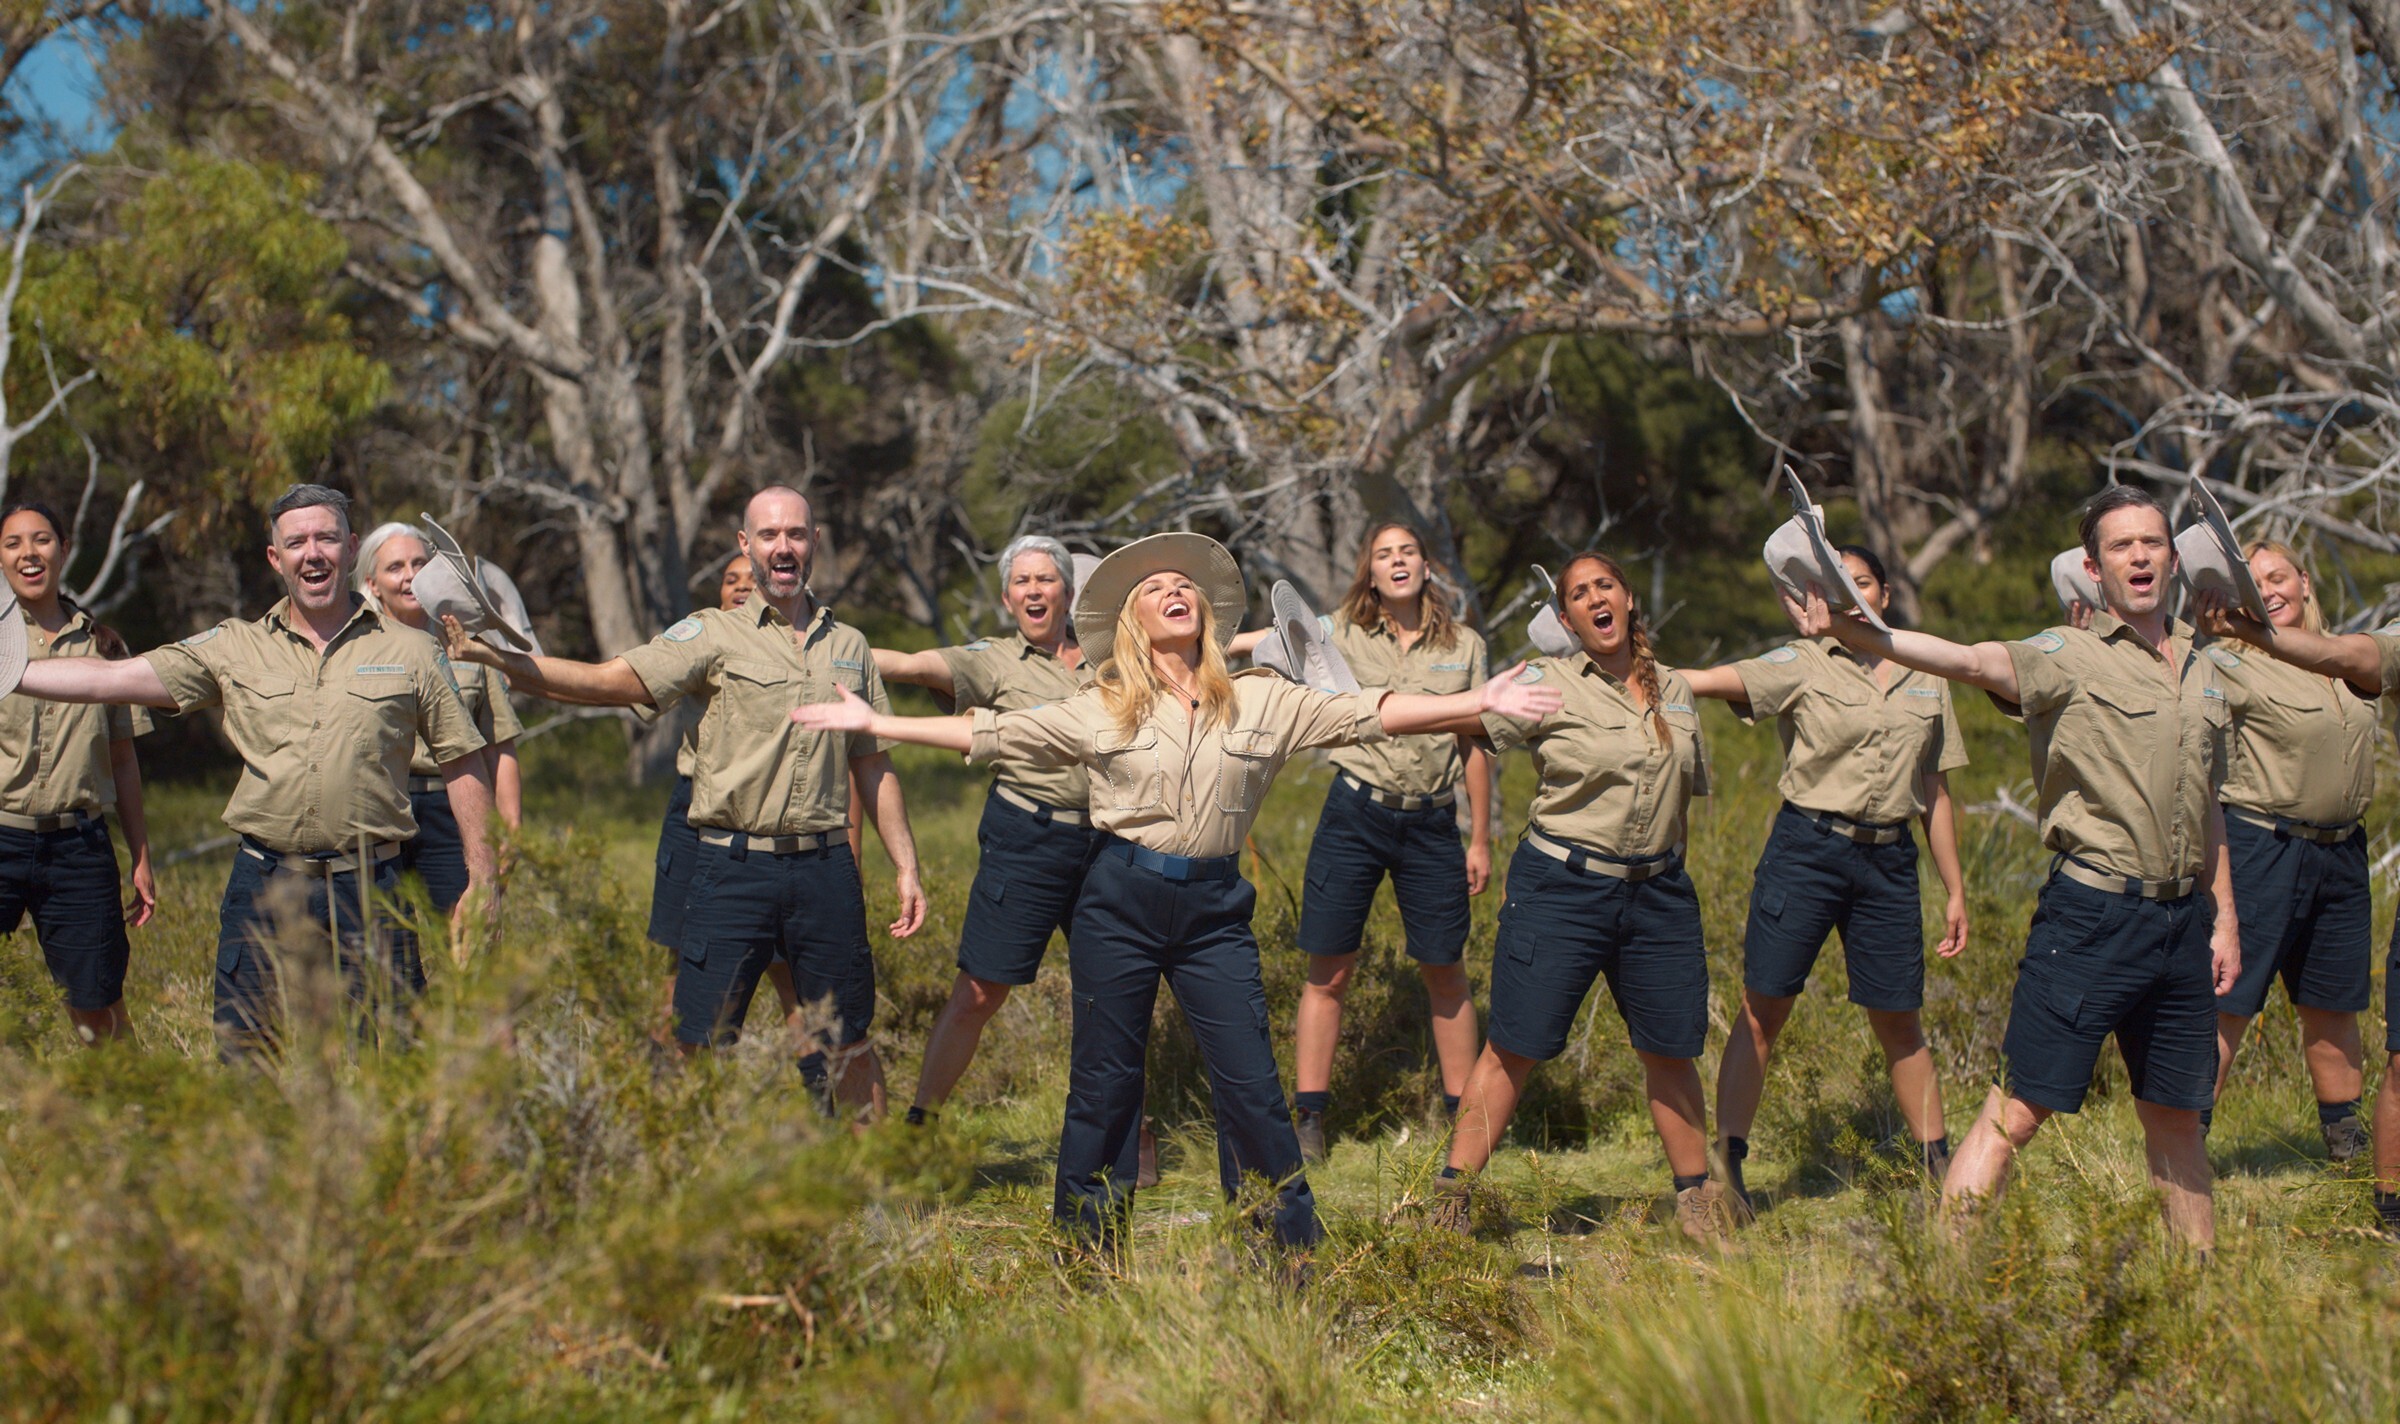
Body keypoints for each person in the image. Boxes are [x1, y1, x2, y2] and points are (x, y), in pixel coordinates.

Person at [794, 530, 1560, 1257]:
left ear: (1205, 612)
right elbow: (992, 732)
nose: (1174, 591)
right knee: (1104, 1085)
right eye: (1155, 587)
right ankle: (1088, 1250)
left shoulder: (1262, 699)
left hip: (1214, 912)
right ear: (1134, 620)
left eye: (1184, 584)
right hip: (1118, 900)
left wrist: (1476, 704)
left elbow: (1372, 712)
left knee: (1251, 1084)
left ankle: (1281, 1248)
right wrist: (876, 721)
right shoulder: (1104, 703)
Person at [1787, 485, 2236, 1249]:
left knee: (2176, 1117)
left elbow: (2209, 802)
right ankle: (1946, 1283)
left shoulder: (2204, 664)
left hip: (2182, 921)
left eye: (2152, 542)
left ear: (2172, 558)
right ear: (2093, 569)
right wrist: (1858, 632)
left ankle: (2199, 1286)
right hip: (2093, 917)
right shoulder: (2067, 655)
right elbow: (1968, 659)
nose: (2139, 556)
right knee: (2019, 1110)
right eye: (2121, 546)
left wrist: (2224, 918)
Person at [451, 487, 925, 1118]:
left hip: (824, 870)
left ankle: (874, 1180)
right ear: (746, 545)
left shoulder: (851, 646)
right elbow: (608, 681)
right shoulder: (710, 634)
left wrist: (906, 864)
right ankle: (688, 1171)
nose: (783, 547)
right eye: (769, 535)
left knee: (849, 1038)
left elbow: (873, 763)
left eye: (796, 533)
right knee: (698, 1040)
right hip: (732, 869)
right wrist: (505, 661)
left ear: (814, 541)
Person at [11, 484, 496, 1056]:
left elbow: (462, 759)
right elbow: (112, 678)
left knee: (389, 1058)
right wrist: (12, 671)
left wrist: (482, 877)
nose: (312, 553)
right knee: (246, 1056)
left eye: (326, 538)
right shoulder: (234, 646)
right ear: (275, 558)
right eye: (296, 542)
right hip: (264, 884)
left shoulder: (412, 651)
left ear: (350, 548)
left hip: (371, 885)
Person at [1431, 551, 1735, 1243]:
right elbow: (1471, 727)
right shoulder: (1548, 681)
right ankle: (1449, 1203)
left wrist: (1670, 870)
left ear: (1627, 598)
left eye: (1606, 586)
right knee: (1515, 1046)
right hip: (1561, 888)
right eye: (1579, 593)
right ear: (1566, 619)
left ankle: (1697, 1202)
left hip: (1658, 894)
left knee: (1670, 1049)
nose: (1596, 598)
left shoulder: (1675, 690)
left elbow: (1679, 800)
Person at [1674, 543, 1969, 1209]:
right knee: (1764, 1009)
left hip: (1889, 861)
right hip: (1807, 850)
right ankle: (1728, 1168)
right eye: (1840, 586)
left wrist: (1955, 889)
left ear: (1884, 594)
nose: (1853, 596)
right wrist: (1632, 673)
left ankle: (1941, 1170)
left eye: (1864, 583)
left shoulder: (1926, 672)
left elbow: (1936, 789)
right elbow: (1712, 681)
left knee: (1899, 1018)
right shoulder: (1803, 661)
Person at [1230, 523, 1492, 1161]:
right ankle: (1309, 1120)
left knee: (1445, 968)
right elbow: (1276, 638)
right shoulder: (1340, 630)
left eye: (1408, 552)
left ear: (1426, 567)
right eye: (1384, 554)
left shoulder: (1465, 645)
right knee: (1331, 968)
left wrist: (1480, 838)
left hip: (1432, 824)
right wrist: (1206, 644)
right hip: (1355, 814)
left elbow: (1474, 743)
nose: (1397, 561)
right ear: (1369, 572)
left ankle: (1464, 1121)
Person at [2188, 558, 2400, 1235]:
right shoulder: (2227, 661)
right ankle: (2183, 1147)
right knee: (2228, 1003)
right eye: (2251, 582)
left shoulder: (2350, 659)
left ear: (2306, 581)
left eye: (2277, 576)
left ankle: (2346, 1146)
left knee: (2333, 1006)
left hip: (2341, 850)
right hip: (2261, 844)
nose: (2267, 590)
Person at [869, 535, 1100, 1118]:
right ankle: (922, 1123)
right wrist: (831, 653)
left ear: (1068, 592)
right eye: (1022, 582)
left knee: (1114, 995)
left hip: (1109, 844)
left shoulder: (1111, 656)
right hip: (1027, 838)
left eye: (1045, 579)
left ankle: (1127, 1133)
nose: (1033, 590)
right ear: (1007, 599)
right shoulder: (994, 659)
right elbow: (914, 666)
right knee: (978, 992)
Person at [0, 500, 156, 1045]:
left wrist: (141, 855)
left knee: (97, 1011)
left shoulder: (105, 647)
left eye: (41, 539)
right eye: (13, 543)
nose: (29, 553)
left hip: (79, 850)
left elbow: (123, 761)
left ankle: (131, 1099)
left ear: (63, 550)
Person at [356, 523, 524, 912]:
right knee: (384, 936)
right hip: (378, 809)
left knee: (463, 929)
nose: (411, 575)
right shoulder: (357, 650)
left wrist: (510, 826)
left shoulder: (469, 645)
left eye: (419, 563)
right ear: (373, 584)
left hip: (454, 809)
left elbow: (499, 742)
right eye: (395, 567)